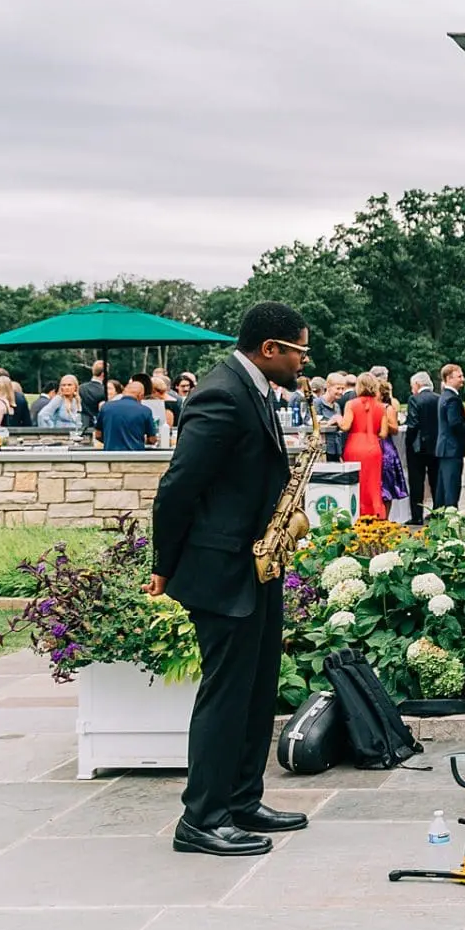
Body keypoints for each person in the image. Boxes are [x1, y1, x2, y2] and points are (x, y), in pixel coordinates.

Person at [148, 301, 313, 858]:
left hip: (256, 563)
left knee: (257, 689)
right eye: (299, 351)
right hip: (222, 569)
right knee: (225, 695)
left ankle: (242, 800)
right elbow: (178, 486)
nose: (303, 362)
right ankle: (202, 818)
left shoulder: (256, 389)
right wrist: (163, 565)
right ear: (270, 349)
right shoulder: (220, 393)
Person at [337, 373, 393, 519]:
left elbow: (345, 426)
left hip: (354, 446)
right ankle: (376, 515)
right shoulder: (381, 407)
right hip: (373, 447)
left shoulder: (351, 404)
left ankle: (356, 514)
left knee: (356, 483)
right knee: (373, 485)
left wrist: (337, 418)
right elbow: (383, 433)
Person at [404, 372, 440, 525]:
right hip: (436, 445)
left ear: (417, 384)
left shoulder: (414, 399)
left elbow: (413, 424)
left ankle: (417, 516)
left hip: (418, 447)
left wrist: (408, 442)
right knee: (435, 480)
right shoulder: (438, 398)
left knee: (416, 481)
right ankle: (438, 512)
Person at [434, 364, 465, 509]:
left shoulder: (444, 396)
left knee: (443, 487)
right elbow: (455, 424)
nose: (463, 379)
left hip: (445, 448)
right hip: (452, 448)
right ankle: (451, 514)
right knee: (451, 487)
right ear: (449, 378)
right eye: (459, 376)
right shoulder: (452, 399)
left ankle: (442, 513)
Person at [376, 378, 409, 516]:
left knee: (386, 485)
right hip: (372, 444)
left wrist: (381, 421)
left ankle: (385, 518)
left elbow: (395, 429)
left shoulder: (388, 408)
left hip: (385, 447)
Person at [96, 378, 158, 452]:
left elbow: (98, 435)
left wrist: (109, 441)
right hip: (136, 455)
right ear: (141, 395)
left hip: (110, 455)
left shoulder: (106, 407)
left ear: (124, 392)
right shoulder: (145, 411)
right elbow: (152, 439)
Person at [79, 360, 109, 429]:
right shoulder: (105, 390)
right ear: (103, 374)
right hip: (98, 425)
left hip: (83, 423)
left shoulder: (81, 387)